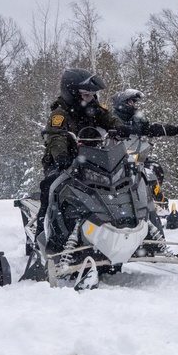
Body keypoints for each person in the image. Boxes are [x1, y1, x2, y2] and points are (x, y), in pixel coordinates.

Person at [35, 68, 130, 239]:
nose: (91, 98)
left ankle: (113, 227)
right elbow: (56, 137)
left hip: (91, 159)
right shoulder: (60, 113)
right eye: (87, 94)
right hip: (64, 161)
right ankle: (42, 235)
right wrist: (61, 157)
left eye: (92, 94)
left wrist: (119, 127)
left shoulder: (92, 108)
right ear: (72, 93)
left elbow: (109, 119)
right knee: (50, 186)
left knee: (111, 185)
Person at [112, 88, 178, 200]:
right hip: (115, 158)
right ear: (122, 103)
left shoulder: (137, 120)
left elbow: (150, 129)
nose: (133, 105)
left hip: (135, 155)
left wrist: (175, 130)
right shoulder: (111, 118)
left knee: (154, 168)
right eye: (130, 102)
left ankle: (153, 198)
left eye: (134, 102)